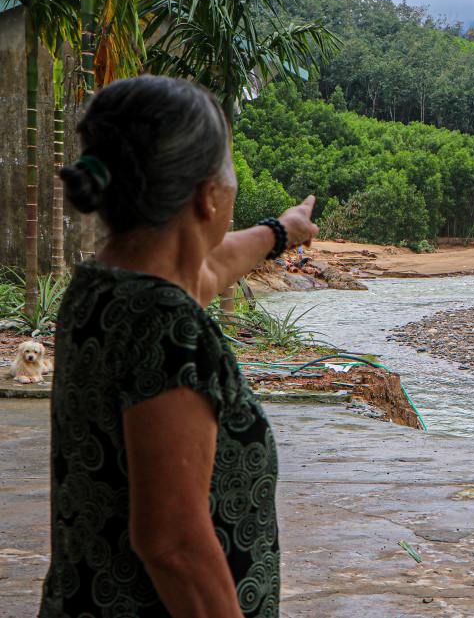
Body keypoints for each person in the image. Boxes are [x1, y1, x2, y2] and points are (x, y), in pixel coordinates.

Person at [39, 75, 318, 618]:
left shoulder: (102, 286)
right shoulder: (168, 327)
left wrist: (281, 232)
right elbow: (172, 543)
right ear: (207, 197)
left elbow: (207, 268)